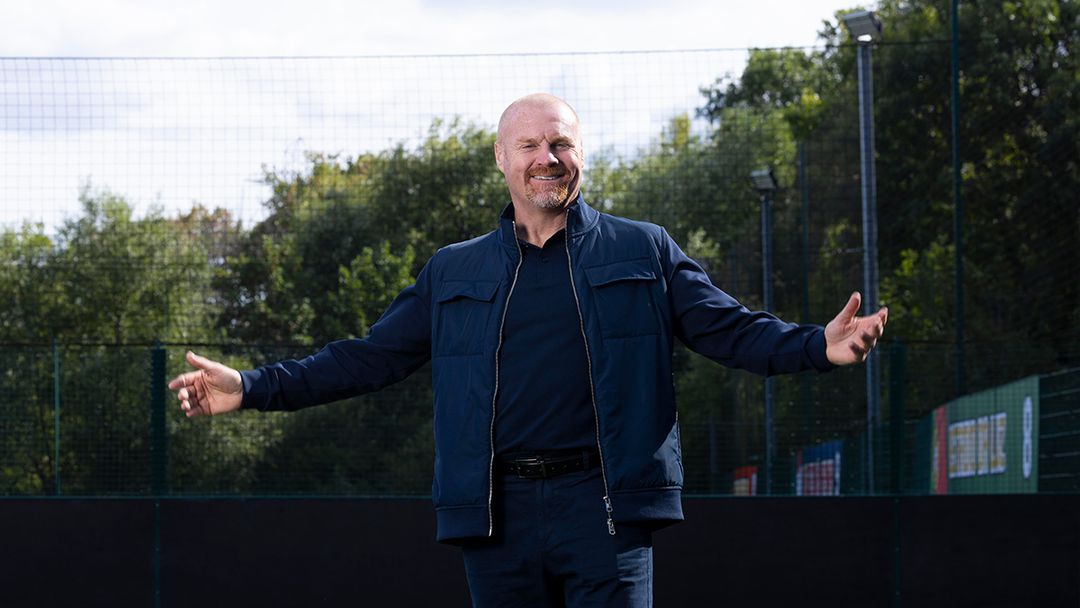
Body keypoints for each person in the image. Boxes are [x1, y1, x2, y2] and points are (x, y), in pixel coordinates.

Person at [169, 93, 888, 607]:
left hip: (604, 511)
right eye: (531, 145)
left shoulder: (643, 250)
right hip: (496, 515)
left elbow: (730, 329)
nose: (549, 158)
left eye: (561, 144)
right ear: (502, 160)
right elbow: (365, 358)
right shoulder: (454, 271)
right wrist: (253, 386)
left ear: (580, 155)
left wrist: (815, 348)